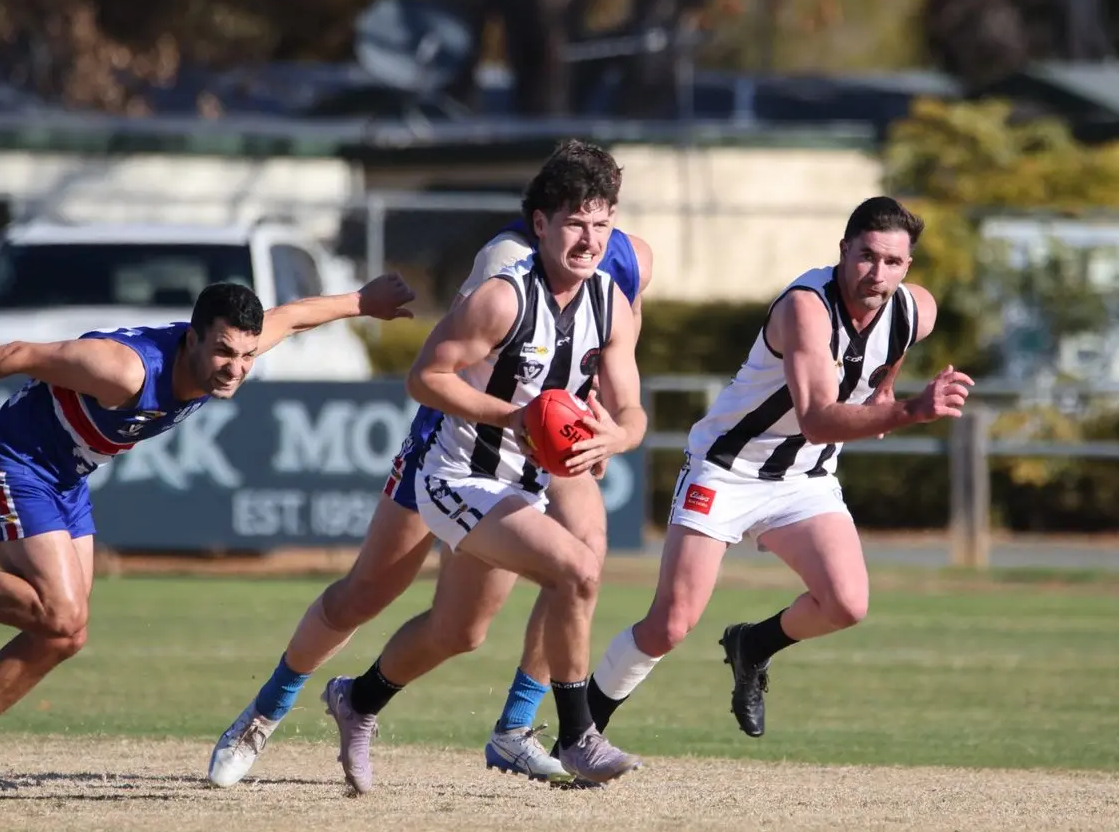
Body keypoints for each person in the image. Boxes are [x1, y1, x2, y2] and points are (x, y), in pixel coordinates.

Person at [0, 274, 416, 791]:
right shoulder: (124, 369)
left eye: (245, 355)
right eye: (222, 351)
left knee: (66, 634)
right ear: (192, 338)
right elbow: (18, 355)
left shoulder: (234, 348)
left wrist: (365, 302)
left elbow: (292, 315)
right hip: (11, 463)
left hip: (65, 477)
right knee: (59, 615)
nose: (235, 367)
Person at [208, 144, 652, 789]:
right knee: (387, 590)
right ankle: (263, 715)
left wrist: (613, 438)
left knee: (461, 631)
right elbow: (427, 377)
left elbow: (632, 409)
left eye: (602, 222)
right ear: (541, 223)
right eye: (577, 222)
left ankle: (358, 700)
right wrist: (517, 419)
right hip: (453, 469)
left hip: (518, 479)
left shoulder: (613, 294)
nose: (591, 238)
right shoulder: (504, 285)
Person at [585, 195, 973, 742]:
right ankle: (580, 734)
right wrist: (909, 408)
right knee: (670, 624)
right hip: (726, 468)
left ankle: (753, 645)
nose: (876, 273)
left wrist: (885, 387)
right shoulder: (805, 308)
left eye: (892, 262)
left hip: (804, 478)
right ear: (843, 250)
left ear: (908, 267)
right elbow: (816, 418)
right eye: (866, 256)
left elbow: (897, 344)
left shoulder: (916, 309)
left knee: (846, 604)